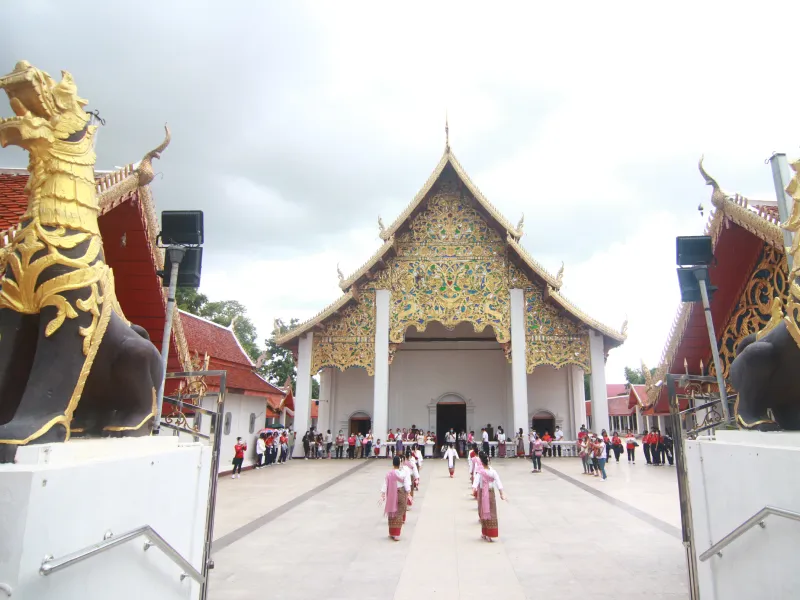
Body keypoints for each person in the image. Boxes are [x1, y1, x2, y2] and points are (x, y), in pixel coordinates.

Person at [472, 452, 506, 542]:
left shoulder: (480, 471)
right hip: (491, 493)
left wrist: (474, 488)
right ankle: (488, 533)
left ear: (481, 462)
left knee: (484, 512)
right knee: (491, 512)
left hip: (483, 494)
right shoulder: (492, 471)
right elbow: (498, 482)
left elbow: (476, 481)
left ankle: (485, 532)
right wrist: (501, 493)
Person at [381, 455, 412, 541]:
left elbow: (385, 484)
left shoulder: (389, 473)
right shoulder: (403, 473)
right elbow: (406, 484)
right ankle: (397, 534)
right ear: (400, 463)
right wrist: (408, 492)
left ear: (393, 463)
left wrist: (383, 493)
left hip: (391, 494)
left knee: (392, 512)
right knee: (400, 511)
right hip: (401, 493)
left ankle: (392, 532)